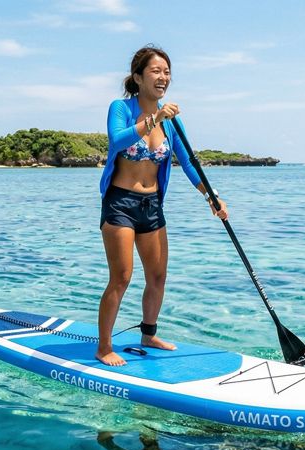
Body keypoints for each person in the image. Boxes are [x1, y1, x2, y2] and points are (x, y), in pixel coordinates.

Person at [96, 45, 229, 367]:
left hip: (152, 205)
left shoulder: (172, 123)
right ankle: (104, 346)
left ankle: (149, 333)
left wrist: (210, 196)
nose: (163, 77)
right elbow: (118, 141)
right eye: (156, 71)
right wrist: (155, 117)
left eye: (167, 72)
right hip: (120, 204)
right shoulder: (122, 108)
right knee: (122, 277)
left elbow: (188, 162)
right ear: (138, 77)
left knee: (157, 276)